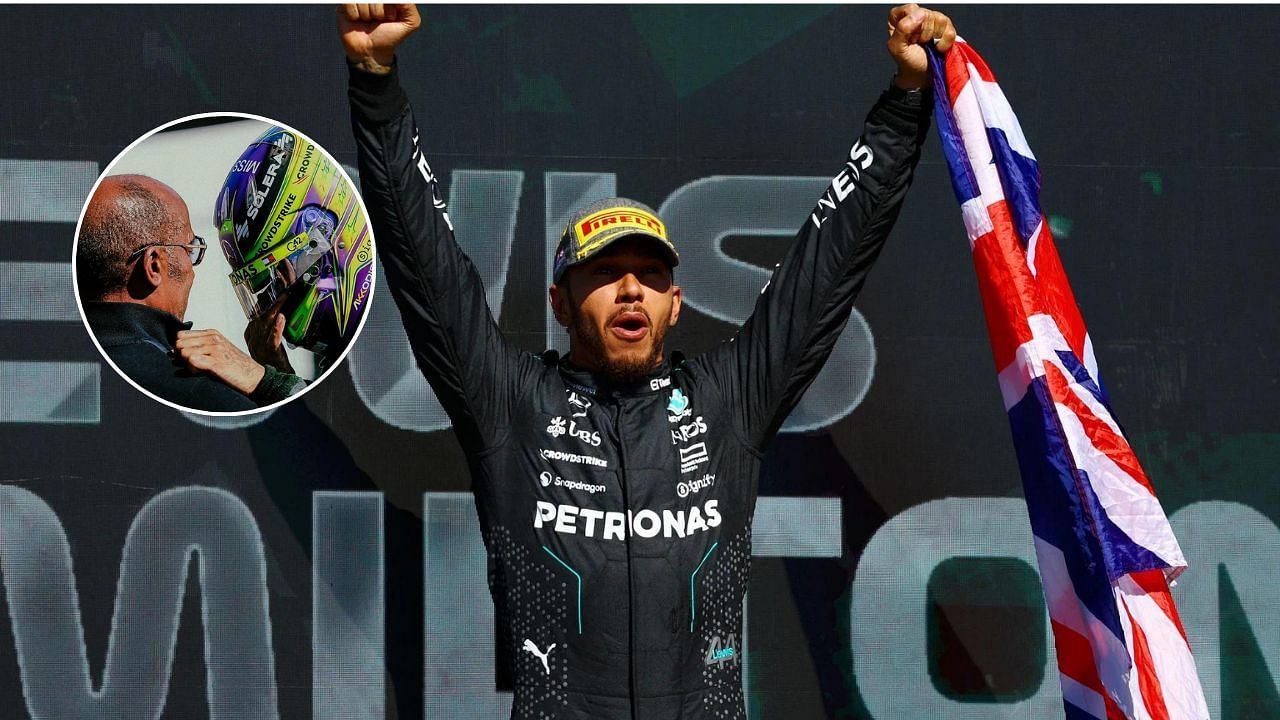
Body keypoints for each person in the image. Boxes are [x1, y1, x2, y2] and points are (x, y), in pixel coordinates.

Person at [339, 3, 954, 717]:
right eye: (605, 272)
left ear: (674, 303)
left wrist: (906, 104)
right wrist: (375, 84)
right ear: (562, 304)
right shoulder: (512, 404)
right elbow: (427, 266)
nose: (631, 286)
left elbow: (828, 266)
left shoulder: (727, 402)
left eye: (651, 274)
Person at [77, 174, 305, 412]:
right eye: (190, 249)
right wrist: (268, 383)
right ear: (154, 265)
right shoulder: (205, 399)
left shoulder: (61, 375)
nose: (192, 270)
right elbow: (309, 444)